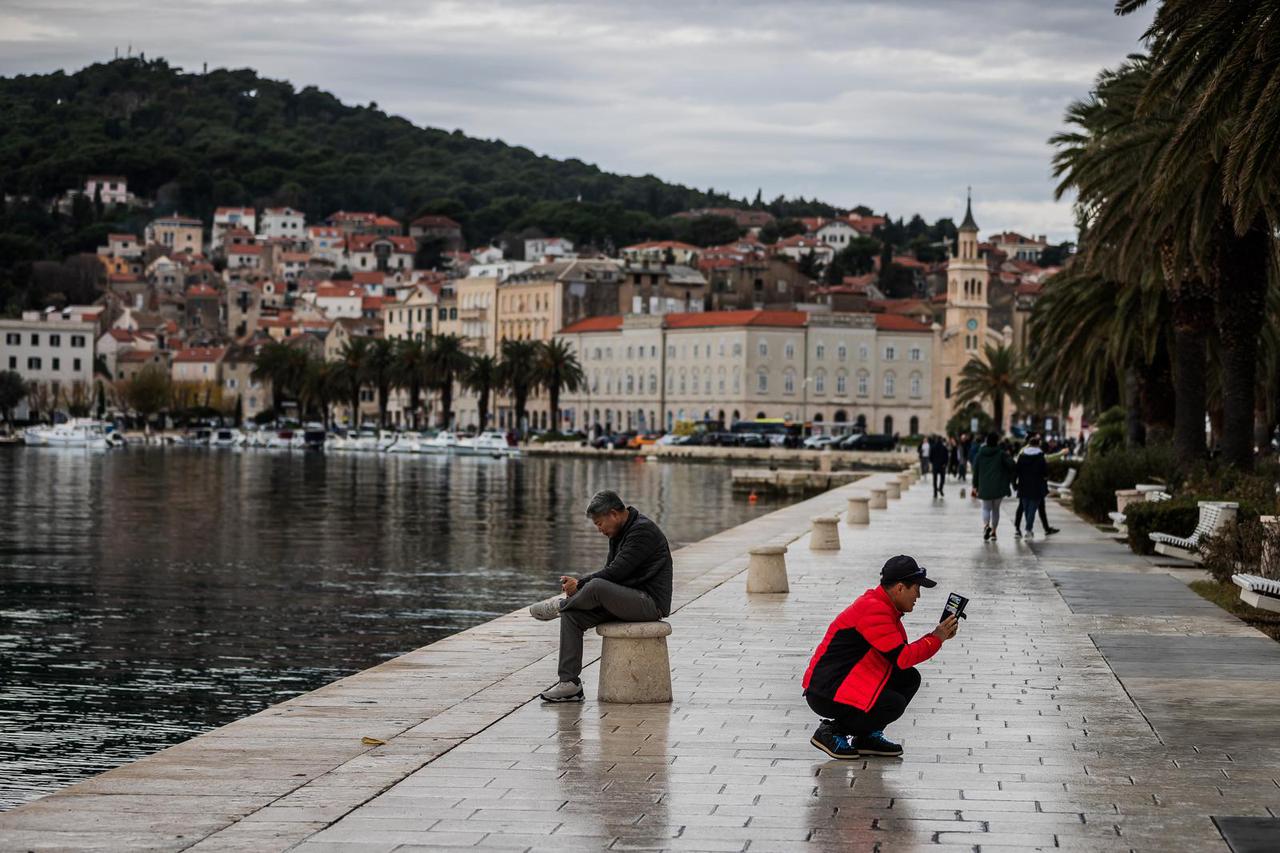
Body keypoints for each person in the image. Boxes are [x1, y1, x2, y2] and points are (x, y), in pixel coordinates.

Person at [802, 556, 959, 759]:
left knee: (908, 678)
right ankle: (831, 732)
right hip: (827, 691)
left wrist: (938, 637)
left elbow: (898, 657)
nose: (918, 595)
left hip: (847, 680)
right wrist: (937, 638)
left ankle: (866, 736)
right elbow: (902, 657)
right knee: (892, 703)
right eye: (917, 588)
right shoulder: (873, 610)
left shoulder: (884, 607)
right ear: (900, 588)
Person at [528, 490, 673, 702]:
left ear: (613, 514)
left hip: (649, 603)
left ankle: (560, 606)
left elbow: (616, 572)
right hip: (626, 600)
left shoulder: (642, 531)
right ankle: (570, 685)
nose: (599, 530)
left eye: (599, 523)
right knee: (573, 616)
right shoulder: (619, 532)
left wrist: (580, 585)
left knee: (595, 587)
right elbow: (611, 574)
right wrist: (582, 589)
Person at [972, 431, 1015, 541]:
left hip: (984, 486)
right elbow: (1012, 465)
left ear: (986, 441)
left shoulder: (980, 454)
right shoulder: (1001, 454)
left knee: (986, 508)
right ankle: (994, 532)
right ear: (997, 441)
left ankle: (986, 526)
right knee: (996, 509)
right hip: (998, 486)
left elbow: (975, 471)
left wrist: (975, 485)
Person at [1013, 435, 1048, 539]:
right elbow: (1045, 473)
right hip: (1037, 486)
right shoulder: (1041, 457)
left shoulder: (1022, 456)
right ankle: (1028, 530)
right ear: (1038, 445)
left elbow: (1016, 471)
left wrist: (1014, 484)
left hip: (1023, 486)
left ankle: (1027, 529)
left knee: (1026, 508)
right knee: (1032, 509)